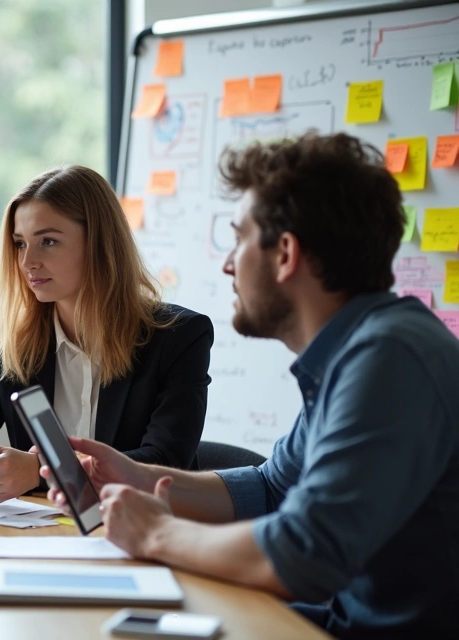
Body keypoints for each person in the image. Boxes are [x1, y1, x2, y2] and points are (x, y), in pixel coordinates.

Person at [45, 132, 459, 637]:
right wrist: (132, 477)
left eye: (239, 239)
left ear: (285, 254)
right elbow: (269, 489)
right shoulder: (357, 351)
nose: (227, 263)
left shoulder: (391, 359)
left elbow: (300, 555)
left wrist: (157, 532)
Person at [0, 165, 213, 503]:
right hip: (42, 536)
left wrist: (41, 469)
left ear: (100, 243)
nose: (28, 261)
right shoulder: (10, 336)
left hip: (142, 531)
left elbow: (163, 465)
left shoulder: (179, 337)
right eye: (19, 244)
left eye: (48, 241)